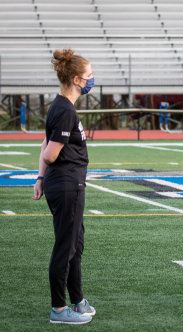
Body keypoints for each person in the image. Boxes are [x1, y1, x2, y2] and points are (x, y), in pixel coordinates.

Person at [33, 49, 96, 324]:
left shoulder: (60, 106)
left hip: (68, 184)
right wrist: (44, 172)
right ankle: (59, 309)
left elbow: (43, 145)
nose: (92, 80)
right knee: (65, 247)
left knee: (75, 245)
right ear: (76, 80)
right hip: (67, 185)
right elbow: (49, 152)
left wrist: (40, 178)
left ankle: (77, 300)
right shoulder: (65, 110)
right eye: (89, 76)